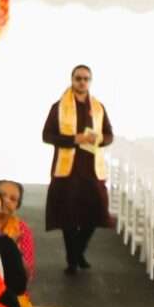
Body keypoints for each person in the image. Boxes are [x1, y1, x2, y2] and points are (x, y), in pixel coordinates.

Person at [41, 65, 113, 274]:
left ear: (90, 81)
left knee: (96, 211)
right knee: (68, 215)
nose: (82, 82)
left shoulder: (98, 107)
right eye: (79, 78)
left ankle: (78, 251)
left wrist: (98, 139)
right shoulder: (59, 106)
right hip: (67, 170)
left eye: (86, 79)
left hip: (92, 169)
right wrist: (74, 139)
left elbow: (109, 134)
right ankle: (72, 259)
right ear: (72, 79)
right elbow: (47, 135)